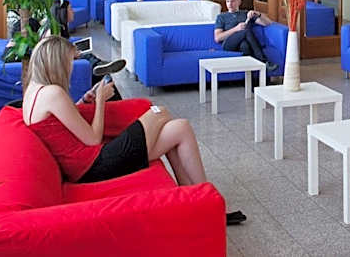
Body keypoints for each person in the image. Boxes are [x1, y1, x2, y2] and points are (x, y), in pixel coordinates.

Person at [22, 35, 246, 225]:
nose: (71, 68)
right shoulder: (53, 93)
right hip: (96, 165)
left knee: (180, 128)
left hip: (90, 163)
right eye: (70, 61)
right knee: (159, 111)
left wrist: (84, 101)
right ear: (58, 62)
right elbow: (92, 139)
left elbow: (58, 126)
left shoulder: (34, 91)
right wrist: (100, 101)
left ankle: (205, 204)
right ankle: (206, 203)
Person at [214, 0, 278, 71]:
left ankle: (252, 76)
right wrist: (236, 29)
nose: (230, 4)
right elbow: (218, 38)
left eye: (233, 1)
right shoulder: (221, 17)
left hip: (244, 43)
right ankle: (264, 61)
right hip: (229, 44)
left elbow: (268, 23)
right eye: (228, 1)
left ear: (239, 2)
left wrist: (258, 14)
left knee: (245, 46)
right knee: (246, 30)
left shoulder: (246, 14)